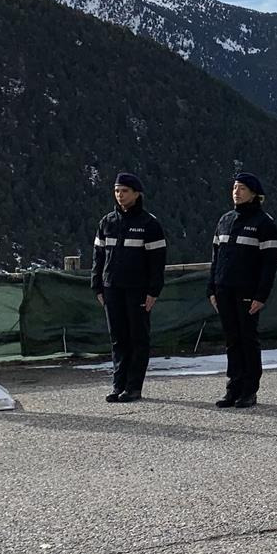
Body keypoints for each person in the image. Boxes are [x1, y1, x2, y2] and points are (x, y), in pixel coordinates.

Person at [90, 172, 167, 403]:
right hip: (112, 288)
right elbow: (98, 257)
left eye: (124, 191)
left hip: (138, 290)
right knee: (118, 338)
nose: (120, 195)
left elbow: (157, 262)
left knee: (137, 338)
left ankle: (134, 387)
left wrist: (153, 291)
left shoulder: (149, 224)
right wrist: (97, 286)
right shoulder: (107, 222)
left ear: (136, 194)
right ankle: (118, 385)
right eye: (116, 191)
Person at [208, 171, 277, 409]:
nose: (236, 192)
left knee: (248, 339)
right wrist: (212, 288)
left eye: (242, 189)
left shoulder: (264, 223)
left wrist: (261, 295)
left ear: (254, 194)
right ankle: (233, 387)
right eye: (234, 188)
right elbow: (216, 257)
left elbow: (269, 264)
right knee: (232, 340)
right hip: (224, 288)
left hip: (248, 290)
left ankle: (249, 390)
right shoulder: (225, 220)